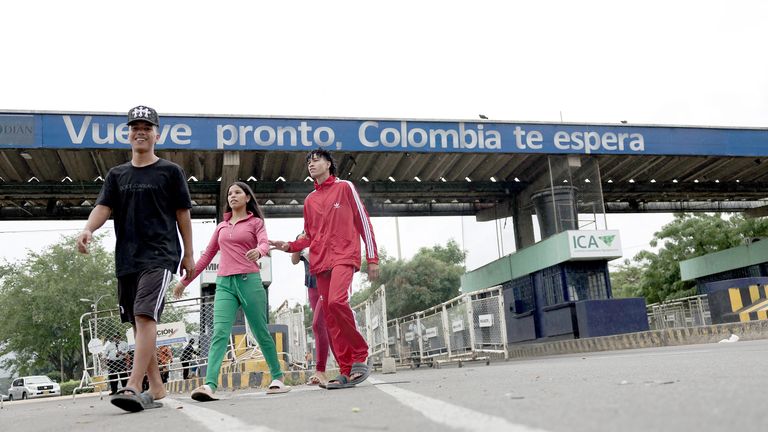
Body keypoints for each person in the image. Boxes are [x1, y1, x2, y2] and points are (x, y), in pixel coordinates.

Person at [76, 105, 195, 412]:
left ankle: (132, 386)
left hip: (161, 254)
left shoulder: (170, 171)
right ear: (127, 134)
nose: (140, 131)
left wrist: (189, 255)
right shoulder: (117, 175)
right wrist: (88, 229)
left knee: (145, 315)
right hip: (127, 259)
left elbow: (183, 213)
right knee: (138, 324)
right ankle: (156, 388)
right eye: (135, 127)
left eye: (147, 127)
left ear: (157, 133)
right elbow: (103, 207)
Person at [270, 149, 379, 390]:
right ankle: (344, 370)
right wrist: (288, 246)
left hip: (344, 255)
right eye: (308, 161)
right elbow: (309, 235)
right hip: (320, 262)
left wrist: (372, 258)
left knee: (337, 302)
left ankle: (360, 353)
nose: (311, 164)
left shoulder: (345, 187)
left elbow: (363, 221)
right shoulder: (309, 200)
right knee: (329, 316)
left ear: (329, 164)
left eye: (316, 159)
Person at [173, 181, 291, 402]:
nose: (232, 196)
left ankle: (277, 377)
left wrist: (259, 250)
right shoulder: (221, 227)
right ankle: (209, 385)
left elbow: (264, 244)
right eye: (229, 193)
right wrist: (184, 282)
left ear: (247, 198)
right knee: (219, 333)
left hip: (250, 282)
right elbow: (207, 256)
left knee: (260, 332)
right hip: (225, 284)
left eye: (237, 192)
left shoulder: (255, 223)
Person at [291, 232, 335, 386]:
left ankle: (321, 370)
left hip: (325, 282)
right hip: (311, 287)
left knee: (318, 324)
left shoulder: (322, 233)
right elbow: (294, 260)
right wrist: (298, 242)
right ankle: (343, 368)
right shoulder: (302, 236)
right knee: (325, 328)